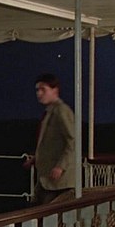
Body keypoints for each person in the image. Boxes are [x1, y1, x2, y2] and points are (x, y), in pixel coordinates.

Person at [24, 73, 76, 205]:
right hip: (47, 177)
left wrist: (60, 166)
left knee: (45, 213)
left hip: (59, 182)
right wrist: (36, 158)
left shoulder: (62, 111)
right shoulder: (51, 111)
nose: (39, 93)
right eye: (37, 90)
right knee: (36, 210)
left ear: (55, 90)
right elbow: (50, 142)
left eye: (43, 89)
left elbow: (73, 140)